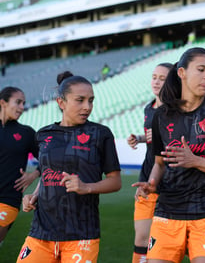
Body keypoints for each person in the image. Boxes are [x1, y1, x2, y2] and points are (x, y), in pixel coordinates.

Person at [132, 47, 205, 263]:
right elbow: (160, 163)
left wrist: (194, 161)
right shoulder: (161, 116)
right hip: (168, 210)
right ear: (182, 73)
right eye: (202, 69)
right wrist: (151, 183)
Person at [16, 72, 122, 262]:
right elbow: (48, 173)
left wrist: (87, 187)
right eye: (80, 100)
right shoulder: (44, 134)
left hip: (82, 234)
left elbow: (115, 181)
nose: (87, 107)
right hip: (41, 232)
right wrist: (34, 196)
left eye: (91, 101)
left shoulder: (100, 134)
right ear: (61, 102)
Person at [127, 62, 173, 263]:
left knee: (169, 242)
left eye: (162, 78)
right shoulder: (149, 108)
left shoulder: (177, 111)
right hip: (147, 176)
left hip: (172, 182)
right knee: (142, 237)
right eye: (154, 76)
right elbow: (153, 137)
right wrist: (139, 137)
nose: (156, 81)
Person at [0, 87, 40, 248]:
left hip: (8, 200)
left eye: (23, 103)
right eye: (18, 102)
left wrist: (34, 174)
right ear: (3, 103)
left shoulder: (26, 133)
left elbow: (50, 160)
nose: (22, 107)